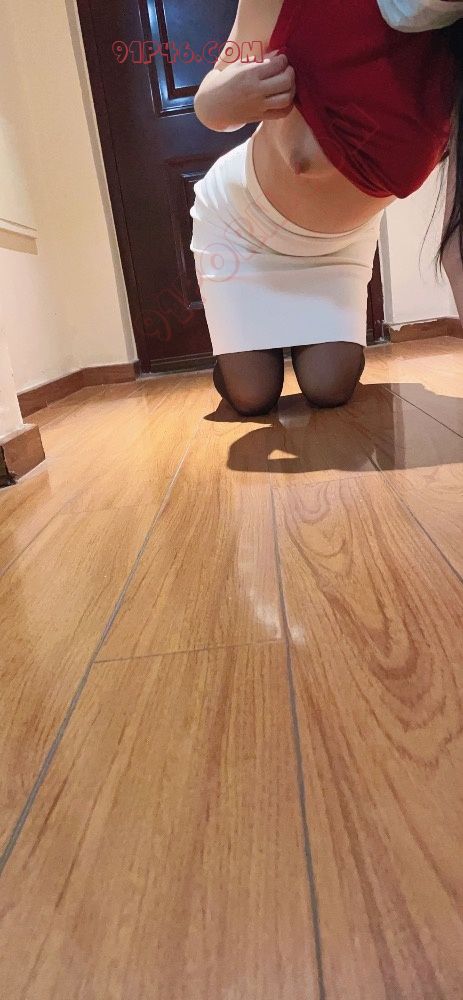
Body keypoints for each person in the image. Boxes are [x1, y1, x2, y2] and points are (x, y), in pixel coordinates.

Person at [190, 0, 463, 417]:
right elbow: (212, 92)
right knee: (251, 396)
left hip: (338, 249)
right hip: (241, 226)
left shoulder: (451, 46)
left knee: (329, 388)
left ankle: (281, 340)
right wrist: (220, 102)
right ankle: (241, 349)